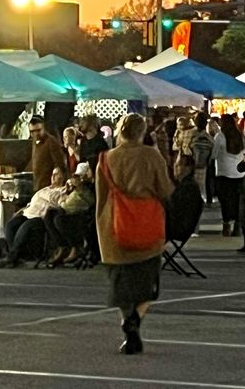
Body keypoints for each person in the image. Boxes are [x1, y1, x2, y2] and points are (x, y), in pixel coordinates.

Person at [95, 112, 173, 355]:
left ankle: (127, 317)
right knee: (147, 281)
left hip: (113, 228)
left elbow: (101, 198)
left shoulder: (106, 159)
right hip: (147, 225)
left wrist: (102, 226)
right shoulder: (152, 156)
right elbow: (165, 190)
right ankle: (135, 320)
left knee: (120, 283)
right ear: (142, 132)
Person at [0, 166, 69, 268]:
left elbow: (58, 203)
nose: (53, 176)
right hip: (27, 213)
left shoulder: (62, 191)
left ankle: (12, 256)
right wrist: (21, 210)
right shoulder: (45, 189)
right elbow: (31, 203)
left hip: (40, 217)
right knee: (11, 225)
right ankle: (16, 256)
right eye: (53, 174)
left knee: (26, 226)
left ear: (63, 176)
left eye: (57, 174)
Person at [44, 162, 96, 266]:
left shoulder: (91, 185)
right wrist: (69, 190)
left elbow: (91, 201)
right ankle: (62, 246)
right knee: (49, 215)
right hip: (67, 209)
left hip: (82, 214)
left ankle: (75, 247)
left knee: (59, 220)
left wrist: (80, 188)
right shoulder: (77, 186)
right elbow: (68, 199)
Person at [29, 116, 67, 190]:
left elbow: (60, 164)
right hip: (37, 185)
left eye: (38, 130)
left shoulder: (51, 142)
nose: (36, 134)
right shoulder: (34, 142)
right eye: (32, 131)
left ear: (44, 128)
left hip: (48, 187)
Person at [172, 116, 196, 181]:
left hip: (185, 157)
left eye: (180, 124)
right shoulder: (179, 132)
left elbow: (175, 146)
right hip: (186, 156)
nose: (178, 126)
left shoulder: (184, 133)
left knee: (183, 176)